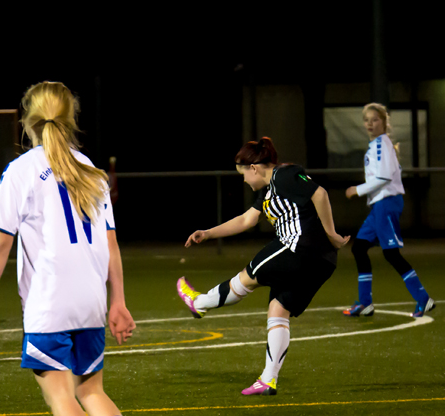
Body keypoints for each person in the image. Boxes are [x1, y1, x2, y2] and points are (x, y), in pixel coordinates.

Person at [0, 81, 154, 416]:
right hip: (90, 299)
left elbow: (1, 243)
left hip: (48, 303)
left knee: (61, 398)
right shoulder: (88, 167)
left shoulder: (20, 170)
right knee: (91, 390)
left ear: (27, 122)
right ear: (70, 119)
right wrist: (119, 301)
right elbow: (111, 244)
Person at [178, 137, 349, 395]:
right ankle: (268, 380)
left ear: (254, 168)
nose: (244, 180)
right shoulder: (268, 193)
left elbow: (320, 193)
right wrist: (209, 233)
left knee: (246, 277)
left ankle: (199, 303)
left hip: (297, 249)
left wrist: (332, 233)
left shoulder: (284, 175)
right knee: (278, 310)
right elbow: (246, 219)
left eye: (243, 174)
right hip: (322, 262)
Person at [343, 102, 435, 318]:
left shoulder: (381, 145)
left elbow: (383, 178)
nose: (370, 124)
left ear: (384, 123)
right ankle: (365, 303)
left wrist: (358, 189)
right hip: (379, 206)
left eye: (375, 120)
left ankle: (423, 299)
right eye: (367, 120)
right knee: (359, 248)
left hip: (386, 204)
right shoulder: (378, 144)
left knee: (391, 254)